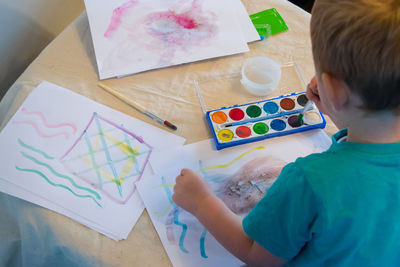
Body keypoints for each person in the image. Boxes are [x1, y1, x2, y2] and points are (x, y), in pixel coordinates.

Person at [172, 0, 400, 265]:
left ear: (336, 91)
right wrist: (338, 108)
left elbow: (257, 255)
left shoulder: (309, 181)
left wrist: (201, 203)